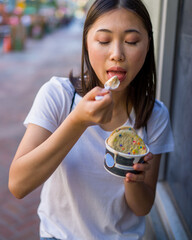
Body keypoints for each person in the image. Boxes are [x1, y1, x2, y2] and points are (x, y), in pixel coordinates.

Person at [9, 0, 174, 239]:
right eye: (104, 41)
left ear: (147, 46)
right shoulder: (58, 95)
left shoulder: (155, 115)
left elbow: (142, 207)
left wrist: (134, 178)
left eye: (131, 42)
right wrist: (78, 121)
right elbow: (18, 185)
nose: (117, 54)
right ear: (87, 43)